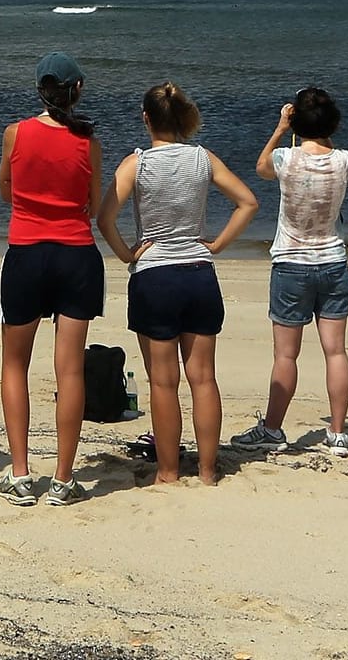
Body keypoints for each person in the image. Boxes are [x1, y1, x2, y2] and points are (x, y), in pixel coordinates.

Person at [98, 83, 258, 486]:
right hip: (199, 274)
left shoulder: (137, 163)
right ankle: (207, 471)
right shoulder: (202, 158)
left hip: (155, 276)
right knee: (203, 378)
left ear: (146, 118)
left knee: (162, 383)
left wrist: (126, 254)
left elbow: (104, 218)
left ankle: (168, 472)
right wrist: (217, 243)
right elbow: (248, 202)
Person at [0, 53, 104, 507]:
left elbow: (7, 190)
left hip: (27, 254)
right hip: (77, 255)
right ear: (77, 90)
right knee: (69, 367)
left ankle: (20, 474)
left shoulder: (15, 133)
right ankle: (62, 478)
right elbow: (93, 205)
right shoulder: (88, 141)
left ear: (41, 90)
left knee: (14, 364)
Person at [232, 87, 348, 457]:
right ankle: (337, 433)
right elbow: (325, 143)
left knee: (286, 356)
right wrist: (307, 121)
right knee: (335, 351)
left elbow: (261, 167)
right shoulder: (344, 160)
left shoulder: (286, 159)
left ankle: (272, 428)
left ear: (297, 124)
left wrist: (281, 125)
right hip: (333, 261)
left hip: (292, 264)